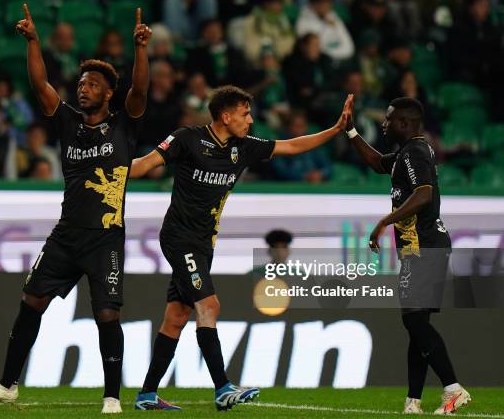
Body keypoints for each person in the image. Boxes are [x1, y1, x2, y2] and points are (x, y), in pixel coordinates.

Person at [0, 4, 151, 414]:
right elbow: (40, 85)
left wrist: (141, 50)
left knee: (107, 313)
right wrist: (33, 41)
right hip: (66, 234)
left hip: (105, 238)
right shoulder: (68, 122)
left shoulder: (124, 125)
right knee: (31, 302)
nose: (83, 88)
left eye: (92, 85)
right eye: (81, 82)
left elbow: (140, 92)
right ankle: (7, 384)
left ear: (107, 93)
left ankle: (111, 398)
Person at [130, 86, 353, 411]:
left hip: (204, 243)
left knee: (177, 316)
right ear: (226, 115)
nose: (250, 120)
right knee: (210, 305)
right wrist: (108, 167)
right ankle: (223, 388)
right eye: (245, 113)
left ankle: (147, 394)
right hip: (179, 237)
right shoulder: (186, 139)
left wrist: (335, 130)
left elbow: (291, 146)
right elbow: (146, 164)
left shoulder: (244, 147)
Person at [344, 97, 471, 415]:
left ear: (403, 123)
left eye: (388, 120)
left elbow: (424, 193)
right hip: (426, 246)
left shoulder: (414, 151)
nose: (383, 124)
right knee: (417, 325)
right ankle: (413, 400)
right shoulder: (408, 151)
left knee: (414, 320)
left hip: (422, 247)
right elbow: (377, 164)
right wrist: (350, 132)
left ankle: (453, 389)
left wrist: (385, 221)